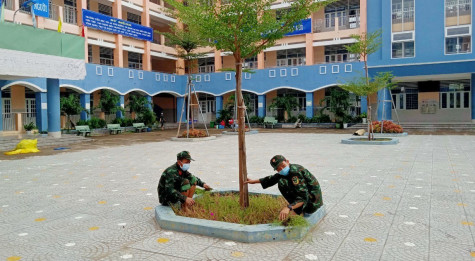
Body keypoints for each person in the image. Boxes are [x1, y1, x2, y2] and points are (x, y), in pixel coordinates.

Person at [245, 155, 323, 221]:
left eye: (283, 165)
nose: (282, 169)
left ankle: (298, 209)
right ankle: (296, 208)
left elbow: (303, 197)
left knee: (283, 183)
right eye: (278, 168)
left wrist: (288, 208)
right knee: (281, 181)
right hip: (306, 197)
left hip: (312, 202)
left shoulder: (295, 173)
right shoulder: (286, 171)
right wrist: (253, 181)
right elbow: (272, 179)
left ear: (287, 162)